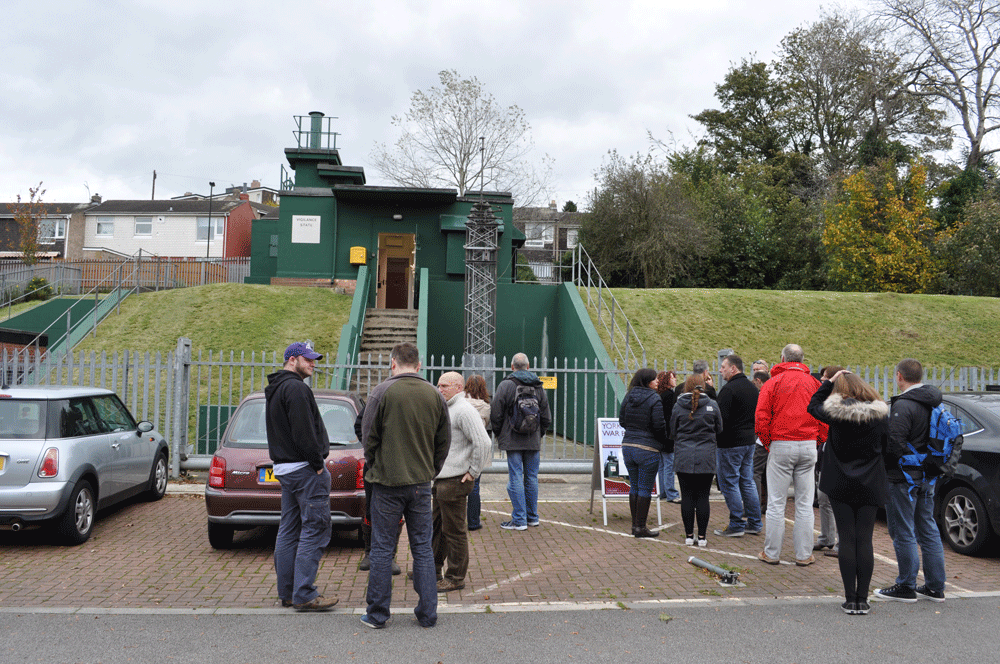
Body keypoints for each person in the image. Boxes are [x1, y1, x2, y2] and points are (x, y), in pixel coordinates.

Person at [359, 342, 451, 629]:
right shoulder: (434, 394)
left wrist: (375, 464)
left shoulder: (382, 391)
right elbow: (443, 440)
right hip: (421, 484)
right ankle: (428, 613)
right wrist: (431, 470)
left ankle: (377, 614)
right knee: (422, 547)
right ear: (419, 366)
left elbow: (368, 436)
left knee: (383, 548)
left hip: (387, 482)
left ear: (393, 363)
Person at [807, 369, 888, 616]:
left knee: (846, 538)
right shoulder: (880, 415)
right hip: (870, 480)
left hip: (840, 480)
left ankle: (849, 598)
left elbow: (812, 405)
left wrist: (827, 382)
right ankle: (862, 598)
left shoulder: (835, 414)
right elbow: (887, 446)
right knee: (864, 539)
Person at [265, 342, 338, 612]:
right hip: (305, 471)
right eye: (308, 359)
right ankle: (304, 593)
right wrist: (317, 463)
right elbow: (304, 430)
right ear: (292, 359)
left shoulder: (277, 388)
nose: (313, 364)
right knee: (315, 528)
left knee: (289, 529)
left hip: (286, 469)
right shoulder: (295, 388)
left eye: (314, 359)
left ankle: (288, 591)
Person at [874, 358, 948, 604]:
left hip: (904, 477)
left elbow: (895, 442)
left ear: (899, 376)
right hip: (928, 473)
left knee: (903, 530)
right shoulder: (935, 402)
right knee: (927, 528)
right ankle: (935, 587)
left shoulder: (904, 405)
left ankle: (906, 585)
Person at [755, 344, 827, 566]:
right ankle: (804, 554)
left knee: (777, 502)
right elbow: (824, 416)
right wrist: (817, 440)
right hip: (807, 444)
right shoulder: (814, 383)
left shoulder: (773, 382)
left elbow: (761, 416)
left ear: (782, 358)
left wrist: (768, 442)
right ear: (802, 360)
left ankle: (772, 552)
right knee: (804, 503)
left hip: (781, 443)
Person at [433, 372, 491, 592]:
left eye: (445, 386)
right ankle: (432, 569)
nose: (440, 389)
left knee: (454, 530)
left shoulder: (464, 410)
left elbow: (483, 443)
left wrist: (473, 471)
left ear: (458, 387)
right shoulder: (447, 407)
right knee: (437, 527)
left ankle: (456, 576)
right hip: (441, 478)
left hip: (455, 480)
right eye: (438, 385)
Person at [491, 353, 552, 531]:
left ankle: (519, 519)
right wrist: (539, 433)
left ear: (512, 367)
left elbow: (496, 413)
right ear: (528, 365)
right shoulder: (538, 386)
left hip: (512, 439)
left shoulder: (506, 385)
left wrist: (499, 433)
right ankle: (532, 517)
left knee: (516, 476)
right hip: (532, 439)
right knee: (532, 477)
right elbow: (546, 416)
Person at [670, 373, 723, 547]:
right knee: (702, 497)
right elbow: (719, 428)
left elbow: (672, 431)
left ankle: (688, 535)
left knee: (687, 497)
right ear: (704, 386)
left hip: (684, 456)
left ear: (686, 387)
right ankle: (702, 537)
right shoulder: (713, 405)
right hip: (706, 456)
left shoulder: (678, 406)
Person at [714, 354, 763, 537]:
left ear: (733, 368)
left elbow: (720, 419)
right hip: (748, 441)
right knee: (747, 481)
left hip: (730, 443)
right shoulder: (752, 388)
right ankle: (754, 522)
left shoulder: (729, 390)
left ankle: (736, 523)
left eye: (723, 367)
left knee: (729, 482)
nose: (721, 370)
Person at [618, 368, 668, 537]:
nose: (658, 381)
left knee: (634, 486)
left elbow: (622, 420)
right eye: (655, 379)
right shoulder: (655, 398)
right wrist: (663, 441)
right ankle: (640, 527)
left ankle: (634, 526)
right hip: (648, 448)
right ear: (647, 381)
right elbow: (659, 426)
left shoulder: (629, 395)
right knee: (645, 488)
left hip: (628, 446)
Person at [813, 366, 843, 557]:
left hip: (838, 459)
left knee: (839, 501)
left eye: (825, 379)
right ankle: (826, 538)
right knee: (823, 497)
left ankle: (842, 543)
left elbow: (812, 406)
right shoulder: (828, 402)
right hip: (826, 453)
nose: (822, 382)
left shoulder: (839, 405)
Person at [463, 374, 492, 531]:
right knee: (475, 487)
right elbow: (486, 424)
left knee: (457, 485)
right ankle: (474, 522)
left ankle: (457, 520)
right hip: (478, 448)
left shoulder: (461, 403)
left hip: (462, 448)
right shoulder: (485, 406)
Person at [655, 371, 680, 503]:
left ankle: (662, 491)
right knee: (669, 464)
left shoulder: (658, 394)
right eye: (672, 377)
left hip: (659, 434)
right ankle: (671, 493)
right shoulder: (670, 395)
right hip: (668, 434)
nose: (675, 379)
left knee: (661, 465)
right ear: (667, 380)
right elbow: (672, 417)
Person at [751, 369, 771, 511]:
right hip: (771, 438)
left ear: (758, 381)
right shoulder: (774, 390)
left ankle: (755, 504)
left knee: (755, 471)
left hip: (763, 438)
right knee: (766, 473)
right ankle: (766, 503)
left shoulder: (764, 394)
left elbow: (761, 416)